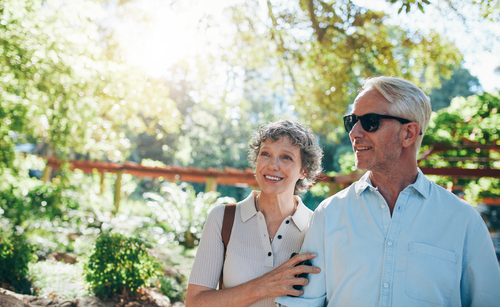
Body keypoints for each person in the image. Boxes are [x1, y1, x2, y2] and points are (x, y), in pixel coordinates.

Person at [276, 76, 500, 307]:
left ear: (409, 134)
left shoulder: (464, 222)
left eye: (370, 121)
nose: (354, 132)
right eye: (351, 121)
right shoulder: (328, 214)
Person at [186, 120, 323, 307]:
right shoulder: (222, 219)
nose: (272, 165)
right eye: (265, 154)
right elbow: (194, 302)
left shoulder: (318, 226)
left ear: (303, 171)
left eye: (286, 157)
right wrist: (264, 286)